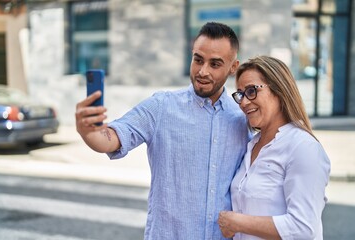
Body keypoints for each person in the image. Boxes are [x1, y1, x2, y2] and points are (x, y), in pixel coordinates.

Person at [76, 22, 251, 239]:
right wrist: (88, 131)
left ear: (233, 68)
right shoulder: (162, 106)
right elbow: (112, 139)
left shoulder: (243, 117)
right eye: (198, 60)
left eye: (215, 64)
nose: (203, 71)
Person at [218, 55, 331, 239]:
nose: (244, 102)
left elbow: (304, 229)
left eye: (252, 91)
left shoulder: (303, 147)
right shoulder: (251, 144)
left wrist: (236, 222)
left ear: (278, 91)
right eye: (240, 94)